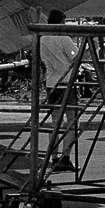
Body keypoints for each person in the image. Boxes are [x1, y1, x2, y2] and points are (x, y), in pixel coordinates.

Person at [39, 10, 80, 172]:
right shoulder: (64, 38)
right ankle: (65, 158)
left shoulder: (42, 39)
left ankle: (54, 156)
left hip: (51, 83)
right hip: (66, 82)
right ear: (60, 22)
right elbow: (76, 57)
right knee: (72, 121)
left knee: (55, 122)